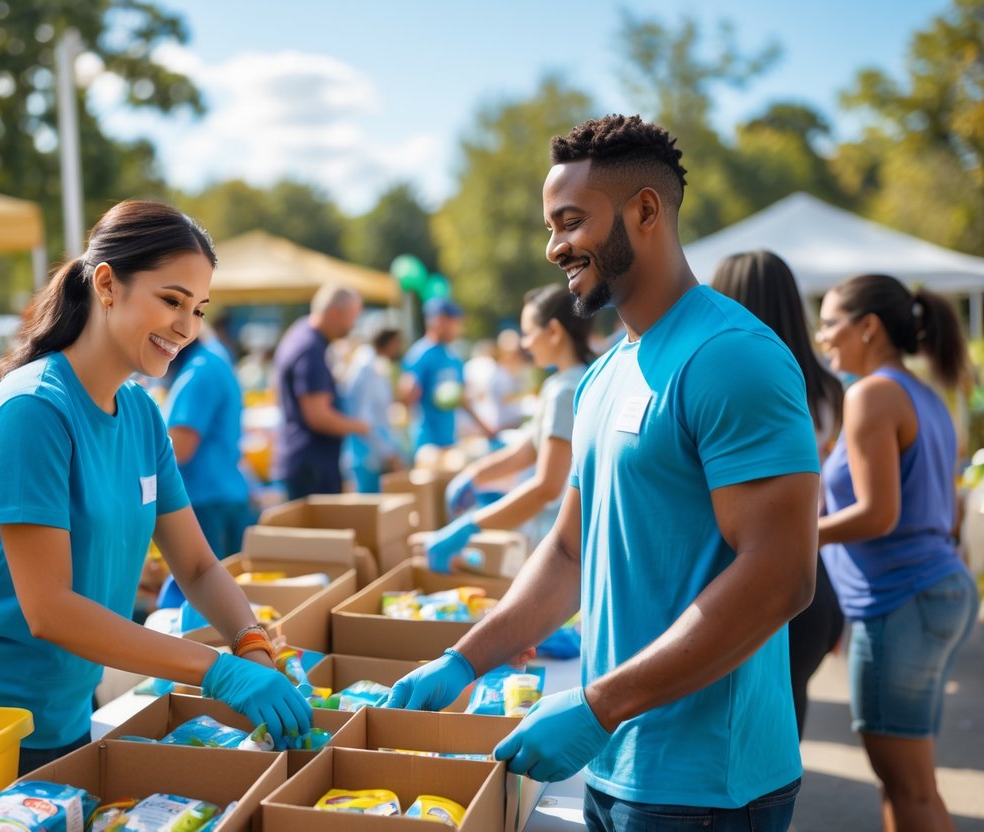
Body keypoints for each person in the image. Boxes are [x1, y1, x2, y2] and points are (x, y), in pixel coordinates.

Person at [386, 114, 820, 831]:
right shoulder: (601, 376)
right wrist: (464, 660)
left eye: (569, 222)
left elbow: (780, 575)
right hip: (615, 761)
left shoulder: (730, 356)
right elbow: (565, 551)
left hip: (709, 785)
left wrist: (598, 706)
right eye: (549, 228)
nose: (554, 247)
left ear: (643, 211)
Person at [0, 201, 312, 774]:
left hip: (57, 719)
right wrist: (217, 671)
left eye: (199, 308)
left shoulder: (139, 412)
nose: (187, 327)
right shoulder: (34, 409)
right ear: (107, 285)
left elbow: (198, 567)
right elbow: (51, 610)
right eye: (172, 300)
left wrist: (252, 644)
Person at [815, 273, 978, 832]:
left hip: (902, 601)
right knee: (912, 787)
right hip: (932, 592)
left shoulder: (872, 395)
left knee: (909, 791)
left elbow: (877, 514)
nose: (821, 336)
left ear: (868, 327)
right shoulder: (924, 395)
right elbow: (947, 512)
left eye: (830, 322)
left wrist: (797, 536)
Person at [711, 249, 846, 737]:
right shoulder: (828, 389)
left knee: (741, 736)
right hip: (814, 577)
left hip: (748, 577)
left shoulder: (733, 385)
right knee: (784, 738)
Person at [417, 284, 596, 568]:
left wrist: (469, 527)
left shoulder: (565, 391)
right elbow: (528, 451)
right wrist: (474, 475)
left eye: (528, 334)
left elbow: (546, 487)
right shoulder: (565, 383)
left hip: (564, 540)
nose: (524, 345)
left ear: (553, 331)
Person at [271, 284, 367, 499]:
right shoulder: (311, 348)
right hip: (311, 467)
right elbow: (318, 416)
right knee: (321, 533)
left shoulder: (300, 333)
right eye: (351, 318)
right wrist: (361, 427)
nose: (353, 326)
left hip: (303, 461)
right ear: (334, 313)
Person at [164, 335, 251, 558]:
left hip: (206, 501)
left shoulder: (200, 370)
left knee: (209, 585)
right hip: (223, 493)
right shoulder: (213, 359)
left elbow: (180, 449)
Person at [401, 296, 468, 451]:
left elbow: (463, 400)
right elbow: (407, 397)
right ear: (439, 321)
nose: (458, 327)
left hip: (450, 440)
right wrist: (409, 392)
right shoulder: (419, 354)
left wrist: (486, 428)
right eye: (454, 322)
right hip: (426, 444)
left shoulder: (453, 357)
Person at [342, 326, 403, 493]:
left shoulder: (371, 365)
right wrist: (388, 451)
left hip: (371, 452)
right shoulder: (366, 369)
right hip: (368, 455)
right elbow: (363, 420)